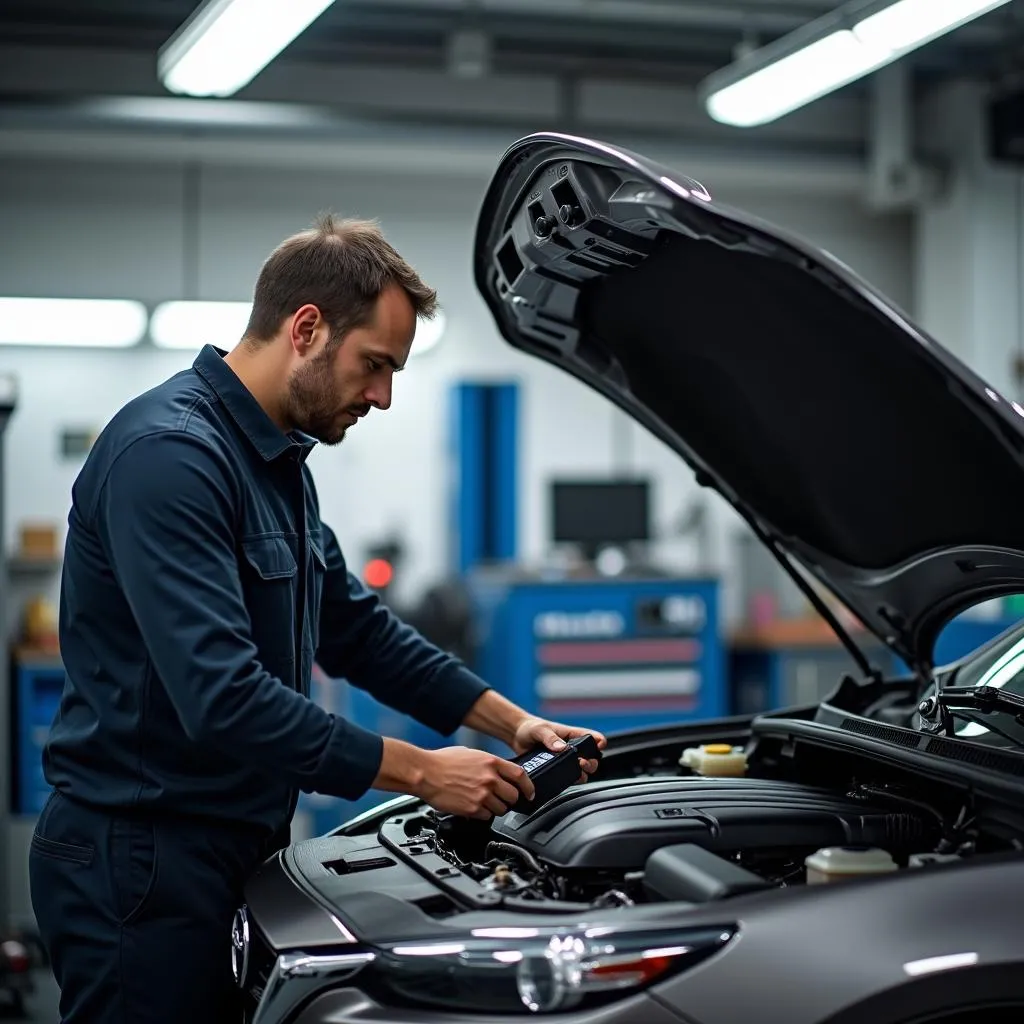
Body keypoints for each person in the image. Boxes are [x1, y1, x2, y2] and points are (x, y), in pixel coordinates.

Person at [29, 214, 606, 1023]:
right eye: (374, 365)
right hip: (141, 860)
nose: (382, 395)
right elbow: (222, 696)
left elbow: (359, 631)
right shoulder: (169, 457)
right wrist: (425, 772)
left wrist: (510, 723)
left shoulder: (278, 465)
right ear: (306, 329)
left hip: (230, 844)